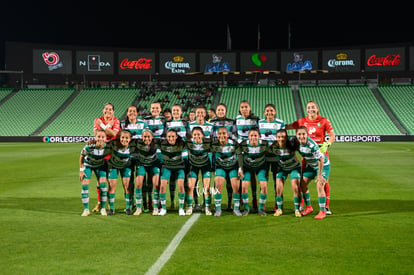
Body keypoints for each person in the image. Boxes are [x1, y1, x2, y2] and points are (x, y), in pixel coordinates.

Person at [286, 100, 335, 215]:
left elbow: (332, 135)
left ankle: (325, 207)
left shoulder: (324, 121)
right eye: (308, 108)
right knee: (303, 180)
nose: (311, 109)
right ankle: (305, 205)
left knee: (323, 181)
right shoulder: (302, 121)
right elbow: (289, 126)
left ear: (317, 109)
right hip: (306, 156)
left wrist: (327, 144)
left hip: (320, 153)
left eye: (313, 107)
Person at [295, 126, 331, 219]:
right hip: (311, 166)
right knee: (302, 184)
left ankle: (322, 211)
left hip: (323, 166)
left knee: (319, 185)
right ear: (296, 135)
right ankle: (308, 207)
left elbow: (320, 160)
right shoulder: (297, 144)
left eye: (303, 134)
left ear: (307, 135)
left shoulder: (312, 145)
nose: (301, 136)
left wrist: (319, 176)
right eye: (299, 134)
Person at [92, 103, 120, 212]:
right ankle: (100, 203)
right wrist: (108, 127)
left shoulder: (116, 121)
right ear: (103, 110)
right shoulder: (97, 119)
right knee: (100, 180)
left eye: (110, 109)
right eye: (106, 109)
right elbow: (96, 135)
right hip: (100, 151)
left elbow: (113, 134)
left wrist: (103, 126)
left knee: (111, 181)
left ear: (113, 111)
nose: (108, 111)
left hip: (112, 151)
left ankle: (110, 204)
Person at [120, 105, 149, 212]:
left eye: (134, 111)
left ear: (137, 113)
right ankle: (129, 204)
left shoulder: (143, 124)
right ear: (127, 113)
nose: (132, 113)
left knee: (141, 181)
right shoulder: (123, 124)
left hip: (140, 156)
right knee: (128, 181)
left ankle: (143, 205)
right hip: (127, 156)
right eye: (130, 111)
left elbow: (147, 137)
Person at [268, 129, 302, 217]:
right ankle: (279, 209)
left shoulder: (291, 144)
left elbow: (301, 148)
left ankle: (297, 209)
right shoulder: (273, 147)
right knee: (278, 188)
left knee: (295, 187)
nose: (281, 139)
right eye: (279, 137)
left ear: (286, 137)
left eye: (283, 137)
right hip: (282, 169)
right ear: (276, 138)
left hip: (294, 167)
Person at [258, 103, 285, 211]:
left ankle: (278, 204)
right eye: (267, 111)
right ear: (264, 112)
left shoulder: (280, 123)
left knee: (277, 181)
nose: (269, 112)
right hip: (264, 156)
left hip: (276, 156)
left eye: (271, 110)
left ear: (275, 112)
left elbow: (283, 138)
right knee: (263, 180)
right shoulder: (260, 123)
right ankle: (262, 203)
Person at [210, 103, 237, 210]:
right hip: (217, 153)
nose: (220, 112)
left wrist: (229, 143)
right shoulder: (212, 122)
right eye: (219, 110)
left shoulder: (231, 122)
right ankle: (214, 205)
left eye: (222, 110)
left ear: (225, 111)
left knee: (231, 183)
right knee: (218, 181)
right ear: (216, 111)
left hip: (229, 151)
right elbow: (211, 136)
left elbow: (235, 135)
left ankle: (230, 203)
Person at [211, 127, 242, 216]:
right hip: (220, 167)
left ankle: (236, 208)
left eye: (224, 133)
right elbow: (210, 156)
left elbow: (239, 155)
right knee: (217, 185)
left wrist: (240, 168)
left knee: (236, 186)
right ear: (217, 135)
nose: (222, 135)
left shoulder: (234, 144)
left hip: (233, 167)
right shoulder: (214, 144)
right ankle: (218, 209)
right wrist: (212, 167)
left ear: (228, 135)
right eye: (220, 134)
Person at [188, 105, 214, 210]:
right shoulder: (190, 125)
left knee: (206, 183)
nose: (199, 115)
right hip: (193, 158)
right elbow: (188, 142)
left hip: (205, 158)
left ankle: (205, 203)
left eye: (201, 113)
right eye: (198, 113)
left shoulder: (211, 126)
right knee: (194, 183)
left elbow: (212, 142)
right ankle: (195, 203)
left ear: (205, 114)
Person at [238, 127, 269, 216]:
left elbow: (270, 153)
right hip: (247, 167)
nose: (253, 137)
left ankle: (261, 208)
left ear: (259, 136)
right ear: (248, 137)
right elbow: (239, 155)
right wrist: (240, 168)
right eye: (251, 135)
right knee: (244, 186)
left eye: (255, 135)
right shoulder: (243, 144)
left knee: (264, 185)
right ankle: (246, 208)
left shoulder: (264, 144)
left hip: (260, 167)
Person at [235, 100, 260, 211]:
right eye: (242, 107)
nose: (244, 109)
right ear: (240, 109)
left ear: (250, 108)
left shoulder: (256, 119)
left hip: (252, 150)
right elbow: (233, 133)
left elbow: (259, 134)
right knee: (240, 175)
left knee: (253, 175)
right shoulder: (237, 119)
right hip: (241, 151)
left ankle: (254, 198)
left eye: (246, 107)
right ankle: (241, 198)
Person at [79, 129, 109, 216]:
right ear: (95, 138)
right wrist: (81, 170)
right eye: (98, 136)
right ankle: (86, 210)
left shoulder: (107, 147)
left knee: (103, 185)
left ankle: (103, 208)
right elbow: (81, 156)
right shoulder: (89, 146)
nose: (100, 139)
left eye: (102, 137)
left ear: (105, 138)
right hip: (88, 165)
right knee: (84, 185)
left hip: (100, 166)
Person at [159, 129, 188, 216]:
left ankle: (181, 208)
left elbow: (186, 157)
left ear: (176, 137)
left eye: (172, 136)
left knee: (180, 185)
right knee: (162, 185)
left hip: (179, 167)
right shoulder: (162, 144)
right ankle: (163, 209)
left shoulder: (182, 144)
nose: (171, 138)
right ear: (166, 137)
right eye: (169, 136)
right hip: (167, 167)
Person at [133, 129, 162, 216]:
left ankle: (156, 207)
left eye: (148, 137)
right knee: (138, 183)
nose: (146, 139)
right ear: (141, 137)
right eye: (144, 137)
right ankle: (138, 208)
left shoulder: (157, 142)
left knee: (156, 184)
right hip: (142, 165)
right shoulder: (137, 142)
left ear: (152, 137)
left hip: (154, 165)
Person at [143, 101, 166, 212]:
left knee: (159, 179)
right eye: (153, 108)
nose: (155, 110)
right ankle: (149, 201)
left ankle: (159, 201)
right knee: (148, 180)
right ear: (150, 109)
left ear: (160, 109)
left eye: (157, 108)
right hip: (148, 153)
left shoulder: (164, 121)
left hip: (160, 154)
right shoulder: (145, 120)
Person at [106, 130, 135, 215]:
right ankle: (111, 208)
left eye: (127, 138)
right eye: (122, 137)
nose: (124, 140)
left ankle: (128, 208)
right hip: (113, 166)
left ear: (130, 139)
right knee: (112, 186)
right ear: (119, 138)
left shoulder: (133, 145)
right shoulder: (113, 143)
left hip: (126, 166)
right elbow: (103, 143)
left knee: (127, 186)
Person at [185, 126, 213, 216]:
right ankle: (190, 206)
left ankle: (207, 207)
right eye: (194, 135)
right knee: (190, 186)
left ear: (202, 135)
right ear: (192, 136)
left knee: (207, 187)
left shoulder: (208, 143)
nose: (197, 136)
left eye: (198, 134)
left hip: (206, 166)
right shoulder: (189, 143)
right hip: (193, 166)